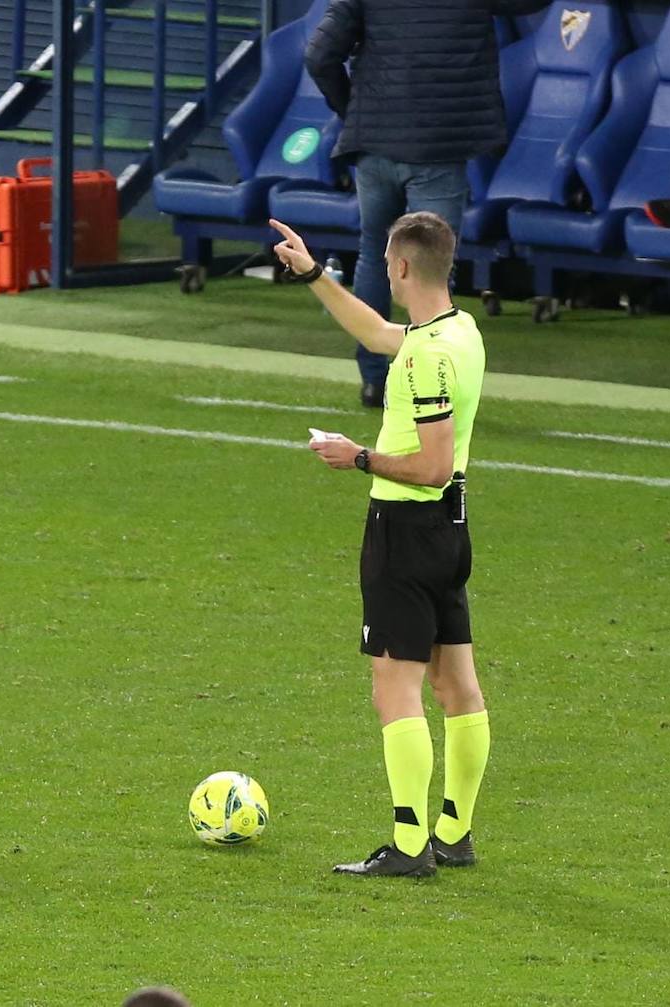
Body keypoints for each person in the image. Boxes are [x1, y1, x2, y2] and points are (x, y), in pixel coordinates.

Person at [270, 212, 490, 877]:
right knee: (458, 686)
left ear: (398, 267)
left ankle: (410, 845)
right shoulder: (459, 331)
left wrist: (357, 456)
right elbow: (376, 331)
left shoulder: (425, 357)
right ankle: (454, 833)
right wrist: (313, 273)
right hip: (450, 534)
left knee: (393, 690)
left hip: (405, 532)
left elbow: (429, 464)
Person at [304, 0, 549, 408]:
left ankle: (374, 379)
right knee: (432, 270)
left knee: (373, 254)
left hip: (375, 144)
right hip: (438, 146)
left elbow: (319, 56)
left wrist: (354, 112)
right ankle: (427, 382)